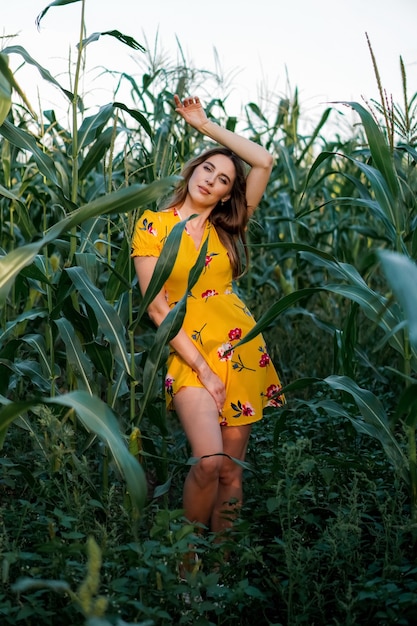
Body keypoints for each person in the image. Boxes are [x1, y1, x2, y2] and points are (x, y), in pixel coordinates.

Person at [131, 95, 284, 544]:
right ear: (193, 170)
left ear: (225, 194)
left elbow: (264, 161)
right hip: (189, 356)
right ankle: (187, 569)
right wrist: (201, 368)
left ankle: (221, 572)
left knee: (231, 475)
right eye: (208, 169)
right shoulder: (153, 225)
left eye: (223, 180)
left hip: (240, 351)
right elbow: (158, 307)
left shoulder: (227, 228)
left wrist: (207, 126)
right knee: (208, 463)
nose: (212, 181)